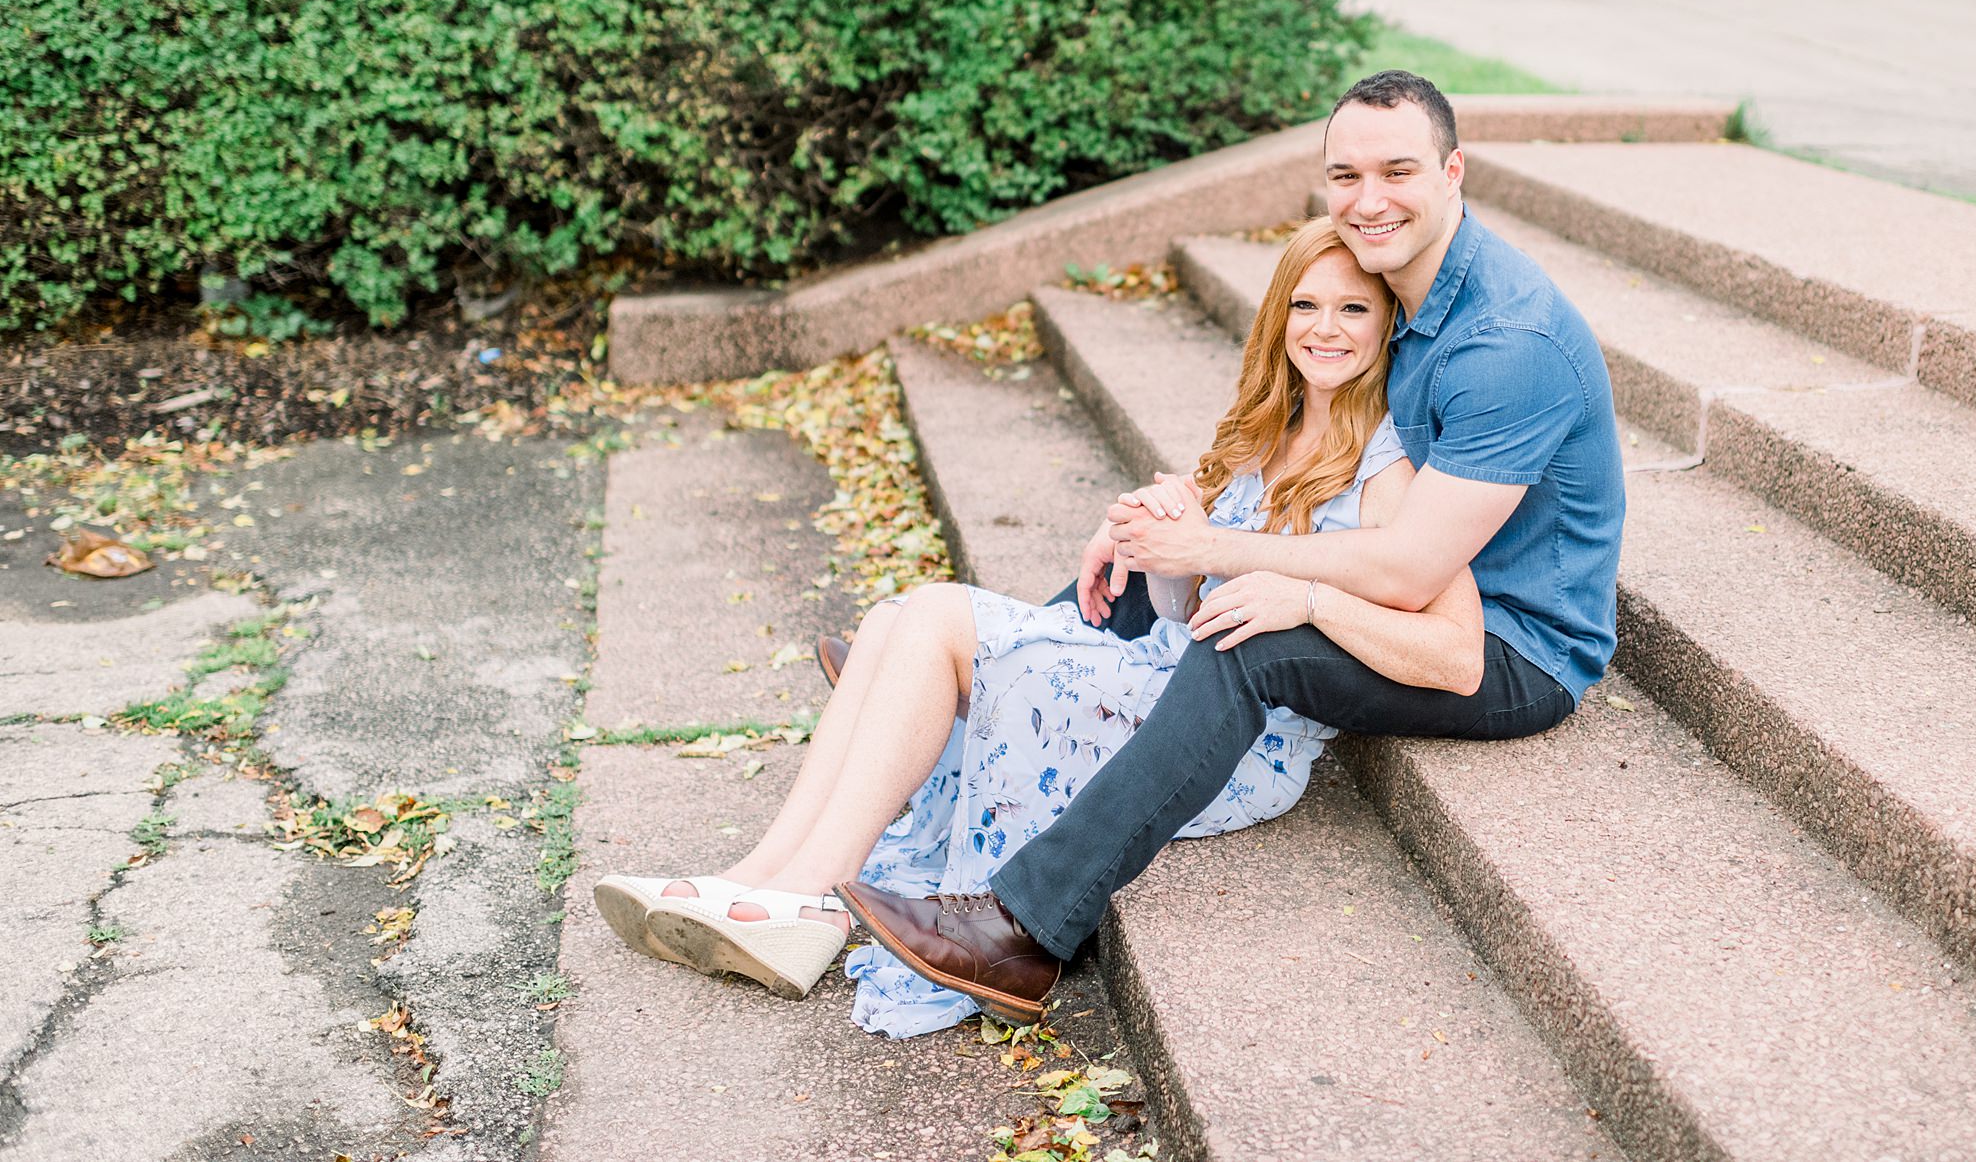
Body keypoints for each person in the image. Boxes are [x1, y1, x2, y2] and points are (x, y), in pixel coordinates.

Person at [840, 69, 1627, 1024]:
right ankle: (981, 683)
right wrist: (1165, 524)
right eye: (1346, 174)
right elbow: (1302, 441)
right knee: (1161, 561)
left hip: (1507, 643)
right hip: (1414, 579)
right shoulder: (1399, 280)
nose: (1368, 200)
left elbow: (1413, 571)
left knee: (1250, 634)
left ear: (1454, 170)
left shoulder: (1508, 343)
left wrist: (1224, 549)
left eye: (1398, 171)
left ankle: (1025, 933)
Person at [592, 214, 1486, 1027]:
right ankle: (758, 880)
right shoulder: (1267, 430)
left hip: (1237, 741)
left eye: (1352, 310)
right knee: (903, 614)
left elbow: (1458, 656)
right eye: (1306, 305)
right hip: (1166, 678)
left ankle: (813, 898)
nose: (1325, 329)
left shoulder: (1390, 470)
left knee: (939, 615)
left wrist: (1309, 598)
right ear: (1277, 319)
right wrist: (1154, 534)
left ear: (1387, 328)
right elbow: (1190, 597)